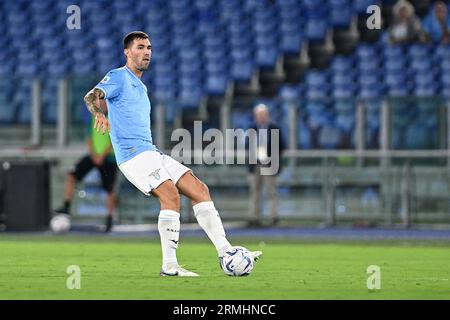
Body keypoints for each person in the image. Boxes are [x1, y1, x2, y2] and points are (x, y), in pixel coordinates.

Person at [83, 31, 262, 277]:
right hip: (133, 155)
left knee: (200, 190)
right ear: (127, 52)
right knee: (170, 194)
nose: (147, 52)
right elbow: (92, 95)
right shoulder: (118, 76)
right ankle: (169, 266)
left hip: (150, 152)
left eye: (149, 48)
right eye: (140, 47)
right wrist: (99, 113)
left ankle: (226, 252)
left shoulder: (141, 86)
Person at [53, 103, 117, 233]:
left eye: (103, 101)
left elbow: (115, 139)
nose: (101, 104)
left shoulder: (114, 118)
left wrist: (102, 155)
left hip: (108, 158)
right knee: (71, 175)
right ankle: (66, 206)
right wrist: (94, 154)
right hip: (94, 156)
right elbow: (89, 137)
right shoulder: (94, 117)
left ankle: (110, 218)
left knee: (110, 189)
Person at [247, 104, 286, 227]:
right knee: (255, 192)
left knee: (271, 191)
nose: (261, 117)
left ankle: (273, 217)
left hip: (269, 164)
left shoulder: (274, 128)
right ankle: (254, 217)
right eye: (259, 115)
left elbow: (282, 145)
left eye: (263, 115)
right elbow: (248, 146)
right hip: (255, 164)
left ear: (267, 115)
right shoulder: (252, 128)